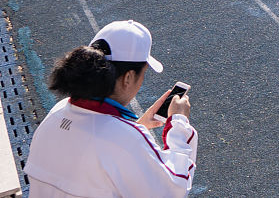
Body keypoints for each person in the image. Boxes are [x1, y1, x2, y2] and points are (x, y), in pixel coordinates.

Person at [25, 19, 197, 198]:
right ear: (128, 77)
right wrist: (178, 122)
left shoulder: (59, 110)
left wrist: (139, 126)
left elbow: (94, 151)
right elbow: (174, 189)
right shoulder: (127, 139)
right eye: (143, 73)